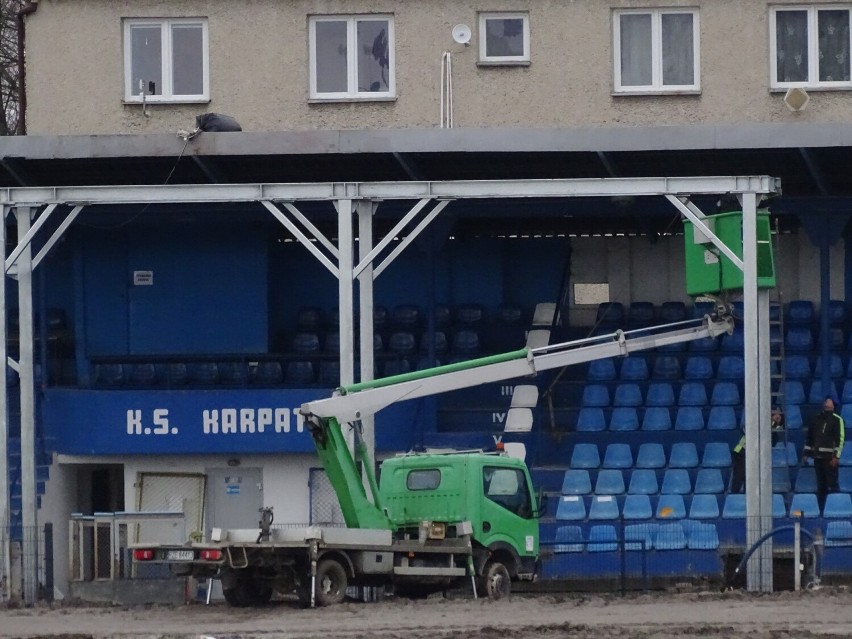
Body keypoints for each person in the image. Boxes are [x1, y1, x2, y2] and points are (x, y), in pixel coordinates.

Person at [803, 396, 845, 512]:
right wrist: (806, 453)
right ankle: (821, 510)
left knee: (832, 484)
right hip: (817, 457)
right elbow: (809, 438)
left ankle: (836, 509)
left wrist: (836, 456)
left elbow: (840, 440)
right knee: (821, 486)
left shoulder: (837, 420)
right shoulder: (816, 419)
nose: (827, 401)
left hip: (830, 458)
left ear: (834, 405)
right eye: (826, 400)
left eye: (829, 400)